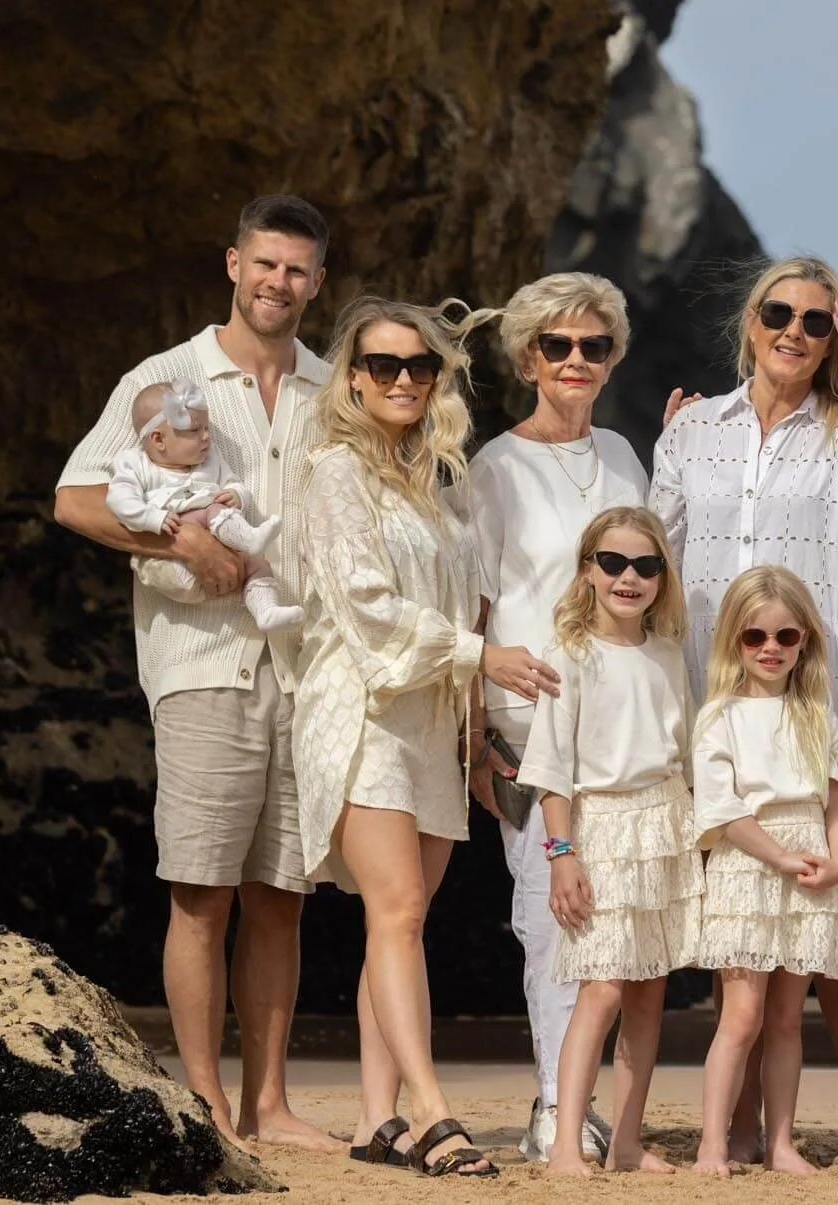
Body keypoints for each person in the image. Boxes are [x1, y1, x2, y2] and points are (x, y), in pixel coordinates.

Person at [52, 194, 340, 1153]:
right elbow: (75, 497)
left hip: (305, 669)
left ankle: (270, 1102)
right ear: (232, 263)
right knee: (200, 889)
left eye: (297, 270)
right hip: (201, 664)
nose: (278, 283)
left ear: (318, 282)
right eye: (265, 264)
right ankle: (208, 1101)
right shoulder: (169, 376)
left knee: (283, 896)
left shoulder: (331, 388)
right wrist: (177, 537)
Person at [653, 256, 838, 1165]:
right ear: (750, 322)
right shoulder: (693, 432)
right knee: (725, 924)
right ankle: (712, 1131)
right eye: (780, 314)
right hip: (712, 687)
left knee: (831, 922)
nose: (795, 333)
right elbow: (656, 552)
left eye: (816, 321)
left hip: (821, 683)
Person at [292, 295, 548, 1177]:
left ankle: (376, 1119)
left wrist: (477, 732)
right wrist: (485, 654)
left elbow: (463, 601)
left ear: (438, 377)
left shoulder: (441, 482)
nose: (403, 379)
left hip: (433, 724)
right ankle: (434, 1112)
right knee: (397, 910)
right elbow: (366, 609)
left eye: (420, 366)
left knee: (396, 922)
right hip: (361, 714)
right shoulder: (335, 473)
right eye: (384, 365)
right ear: (353, 377)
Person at [464, 271, 648, 1162]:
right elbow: (475, 605)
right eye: (558, 345)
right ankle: (551, 1108)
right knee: (548, 914)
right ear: (529, 356)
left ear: (612, 359)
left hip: (620, 723)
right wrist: (472, 740)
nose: (576, 360)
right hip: (527, 721)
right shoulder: (495, 466)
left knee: (608, 913)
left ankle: (584, 1102)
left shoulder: (622, 452)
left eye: (595, 346)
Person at [515, 506, 700, 1177]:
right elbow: (551, 769)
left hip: (665, 826)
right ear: (588, 569)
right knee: (602, 989)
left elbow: (684, 754)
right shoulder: (570, 652)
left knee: (649, 990)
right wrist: (562, 854)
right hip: (601, 828)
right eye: (614, 562)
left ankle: (625, 1140)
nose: (630, 577)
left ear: (661, 575)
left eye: (646, 565)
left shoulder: (670, 652)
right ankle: (566, 1140)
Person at [690, 566, 838, 1178]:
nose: (770, 649)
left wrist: (837, 861)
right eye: (754, 636)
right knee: (741, 1015)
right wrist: (780, 856)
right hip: (749, 868)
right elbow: (723, 810)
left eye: (786, 637)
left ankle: (780, 1142)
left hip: (808, 868)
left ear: (805, 641)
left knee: (788, 1018)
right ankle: (715, 1142)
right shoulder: (719, 716)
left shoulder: (820, 717)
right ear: (733, 640)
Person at [107, 377, 300, 632]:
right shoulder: (135, 464)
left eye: (207, 428)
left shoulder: (210, 460)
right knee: (211, 511)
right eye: (194, 430)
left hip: (216, 562)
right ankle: (250, 537)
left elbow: (233, 482)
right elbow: (119, 500)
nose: (207, 437)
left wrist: (237, 494)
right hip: (168, 560)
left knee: (257, 564)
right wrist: (152, 518)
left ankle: (265, 611)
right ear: (158, 439)